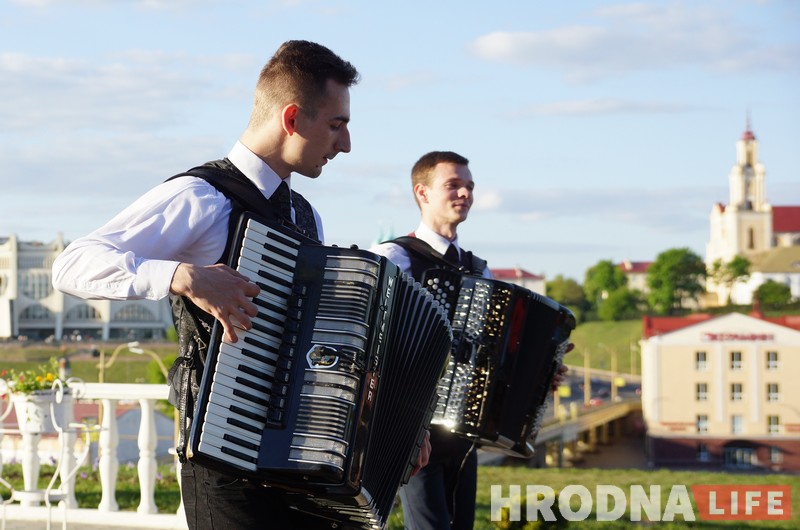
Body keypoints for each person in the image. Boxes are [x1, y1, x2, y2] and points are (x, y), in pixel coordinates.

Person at [52, 40, 426, 530]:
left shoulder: (303, 215)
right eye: (337, 125)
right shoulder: (201, 197)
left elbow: (312, 345)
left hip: (295, 462)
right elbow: (73, 263)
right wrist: (180, 275)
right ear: (292, 119)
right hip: (222, 461)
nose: (346, 144)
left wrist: (387, 413)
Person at [370, 151, 568, 530]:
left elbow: (500, 358)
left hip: (463, 434)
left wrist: (541, 374)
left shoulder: (480, 271)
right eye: (453, 185)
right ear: (422, 193)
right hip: (413, 427)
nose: (464, 193)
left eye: (470, 186)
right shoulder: (393, 256)